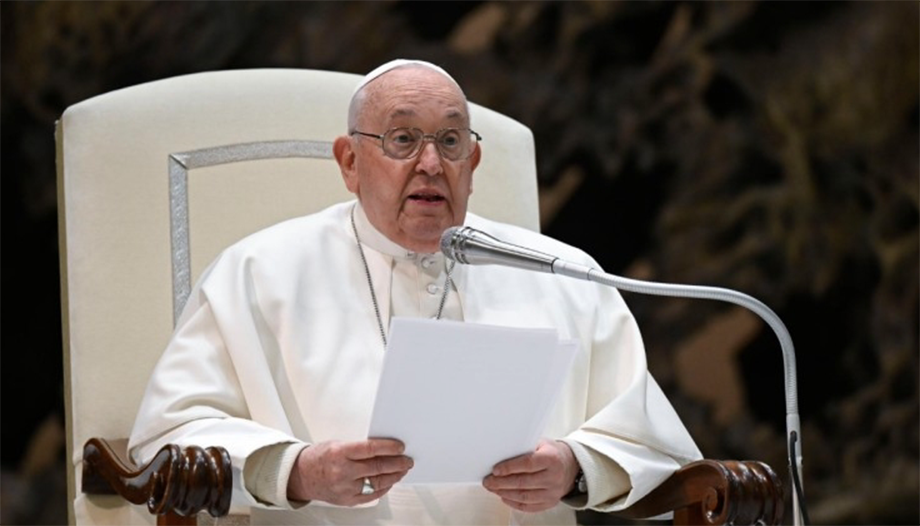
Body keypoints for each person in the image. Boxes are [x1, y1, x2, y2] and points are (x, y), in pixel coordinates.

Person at [128, 59, 702, 526]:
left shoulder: (562, 275)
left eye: (450, 141)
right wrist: (295, 471)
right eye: (403, 139)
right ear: (350, 161)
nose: (430, 163)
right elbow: (167, 439)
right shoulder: (258, 272)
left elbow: (655, 445)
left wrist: (576, 469)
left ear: (471, 164)